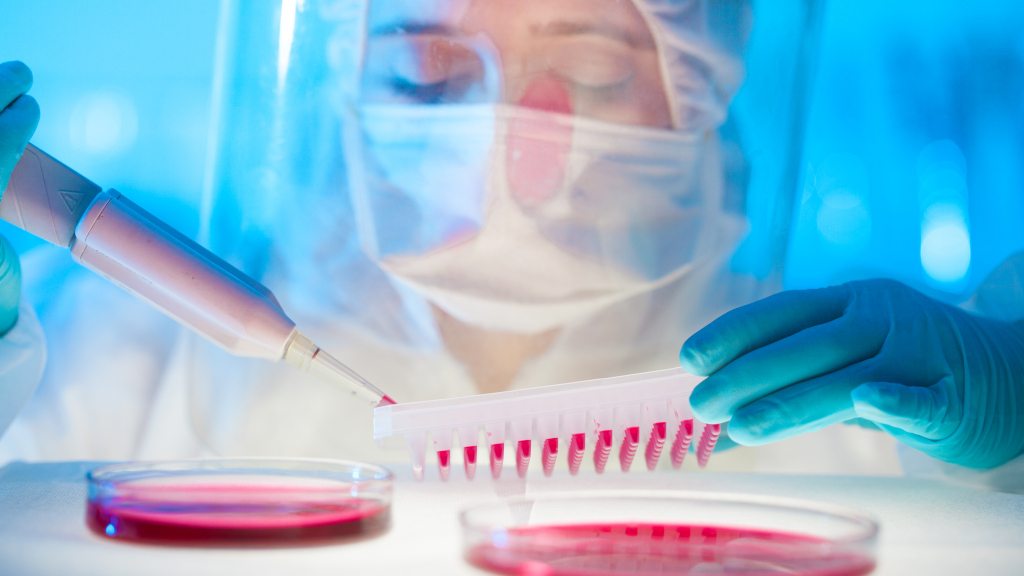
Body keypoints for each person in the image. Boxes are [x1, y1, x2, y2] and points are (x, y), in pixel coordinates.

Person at [0, 0, 930, 476]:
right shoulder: (101, 360)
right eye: (424, 66)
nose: (504, 135)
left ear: (713, 83)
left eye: (595, 69)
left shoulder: (859, 388)